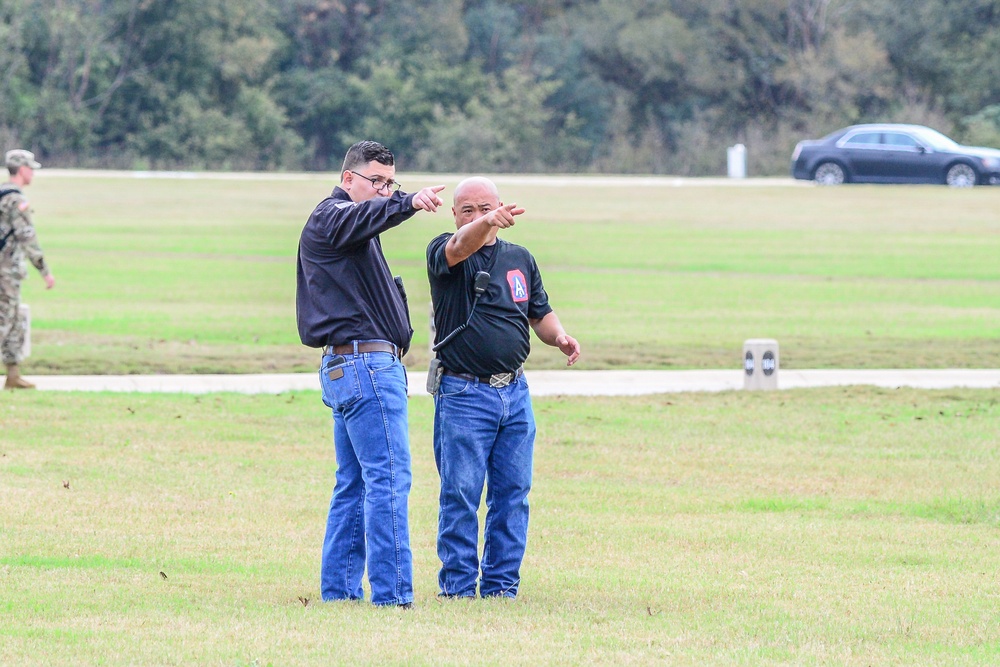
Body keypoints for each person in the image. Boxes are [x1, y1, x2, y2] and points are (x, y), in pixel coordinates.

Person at [296, 140, 444, 607]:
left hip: (351, 367)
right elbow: (362, 217)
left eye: (389, 183)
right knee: (390, 478)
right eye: (374, 181)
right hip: (364, 367)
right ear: (347, 179)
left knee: (356, 482)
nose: (382, 191)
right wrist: (409, 202)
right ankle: (394, 596)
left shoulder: (353, 230)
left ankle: (340, 593)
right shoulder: (332, 216)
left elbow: (368, 221)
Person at [426, 176, 581, 599]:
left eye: (486, 208)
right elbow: (459, 247)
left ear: (503, 207)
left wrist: (560, 337)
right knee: (460, 494)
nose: (478, 216)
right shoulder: (444, 251)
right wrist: (484, 224)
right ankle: (457, 589)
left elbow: (539, 312)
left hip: (514, 392)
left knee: (513, 494)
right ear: (454, 215)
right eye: (468, 210)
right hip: (463, 393)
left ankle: (500, 588)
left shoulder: (519, 258)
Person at [1, 149, 55, 390]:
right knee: (4, 321)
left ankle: (13, 376)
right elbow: (26, 237)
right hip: (5, 272)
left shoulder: (3, 195)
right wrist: (44, 270)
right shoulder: (16, 200)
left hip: (8, 271)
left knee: (13, 322)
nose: (33, 173)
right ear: (22, 169)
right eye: (31, 168)